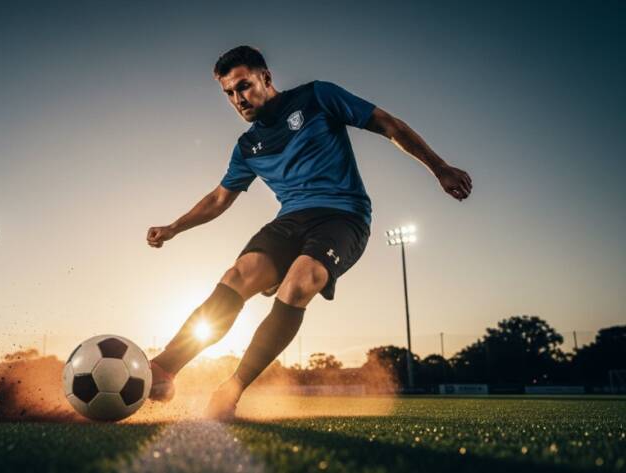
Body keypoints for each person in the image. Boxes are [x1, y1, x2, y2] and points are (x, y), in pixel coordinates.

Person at [145, 45, 472, 420]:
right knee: (238, 277)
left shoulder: (317, 97)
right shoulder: (247, 147)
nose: (238, 99)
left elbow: (388, 124)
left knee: (301, 283)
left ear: (266, 78)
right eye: (229, 93)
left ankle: (232, 389)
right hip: (290, 220)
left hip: (343, 217)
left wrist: (440, 167)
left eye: (244, 86)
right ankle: (165, 369)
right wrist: (173, 228)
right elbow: (219, 199)